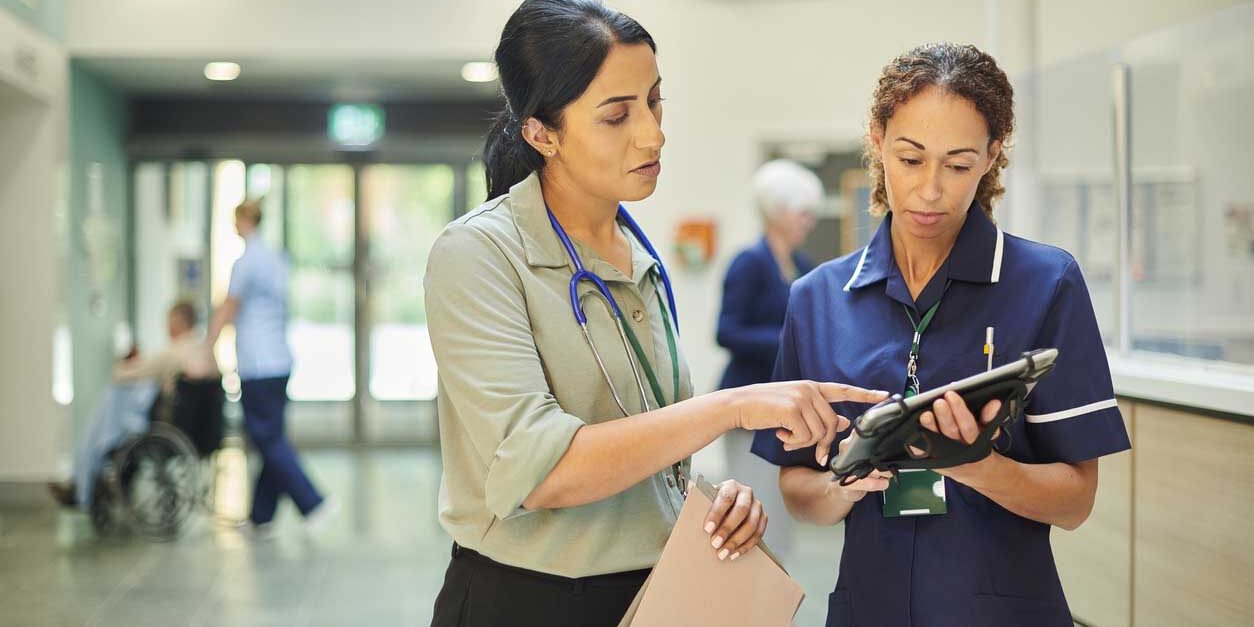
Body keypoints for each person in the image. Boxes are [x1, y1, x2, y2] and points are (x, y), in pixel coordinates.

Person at [425, 2, 885, 625]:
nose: (653, 133)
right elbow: (541, 469)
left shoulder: (637, 252)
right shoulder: (479, 254)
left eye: (655, 101)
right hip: (527, 600)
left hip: (652, 592)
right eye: (617, 115)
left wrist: (706, 503)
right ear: (542, 133)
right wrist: (732, 407)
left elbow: (647, 449)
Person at [752, 43, 1132, 627]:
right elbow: (797, 484)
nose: (931, 190)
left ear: (991, 156)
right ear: (878, 142)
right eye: (910, 159)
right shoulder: (818, 300)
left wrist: (975, 465)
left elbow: (1076, 500)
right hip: (866, 609)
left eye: (957, 164)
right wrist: (844, 486)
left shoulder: (1047, 284)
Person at [208, 200, 333, 534]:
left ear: (246, 219)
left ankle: (312, 501)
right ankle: (261, 517)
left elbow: (228, 308)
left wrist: (207, 346)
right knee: (269, 438)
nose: (233, 226)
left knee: (268, 439)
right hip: (279, 361)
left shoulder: (246, 261)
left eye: (235, 219)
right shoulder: (276, 258)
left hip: (257, 365)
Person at [715, 159, 821, 556]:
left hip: (782, 414)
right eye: (802, 211)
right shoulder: (749, 264)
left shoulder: (803, 267)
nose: (808, 221)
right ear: (777, 211)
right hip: (745, 411)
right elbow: (727, 331)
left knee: (778, 524)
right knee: (752, 514)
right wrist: (786, 340)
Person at [49, 302, 217, 509]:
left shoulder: (176, 352)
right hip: (198, 433)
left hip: (169, 427)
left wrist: (127, 363)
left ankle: (82, 484)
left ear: (179, 322)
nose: (166, 327)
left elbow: (121, 374)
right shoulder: (203, 351)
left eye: (169, 321)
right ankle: (84, 480)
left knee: (110, 406)